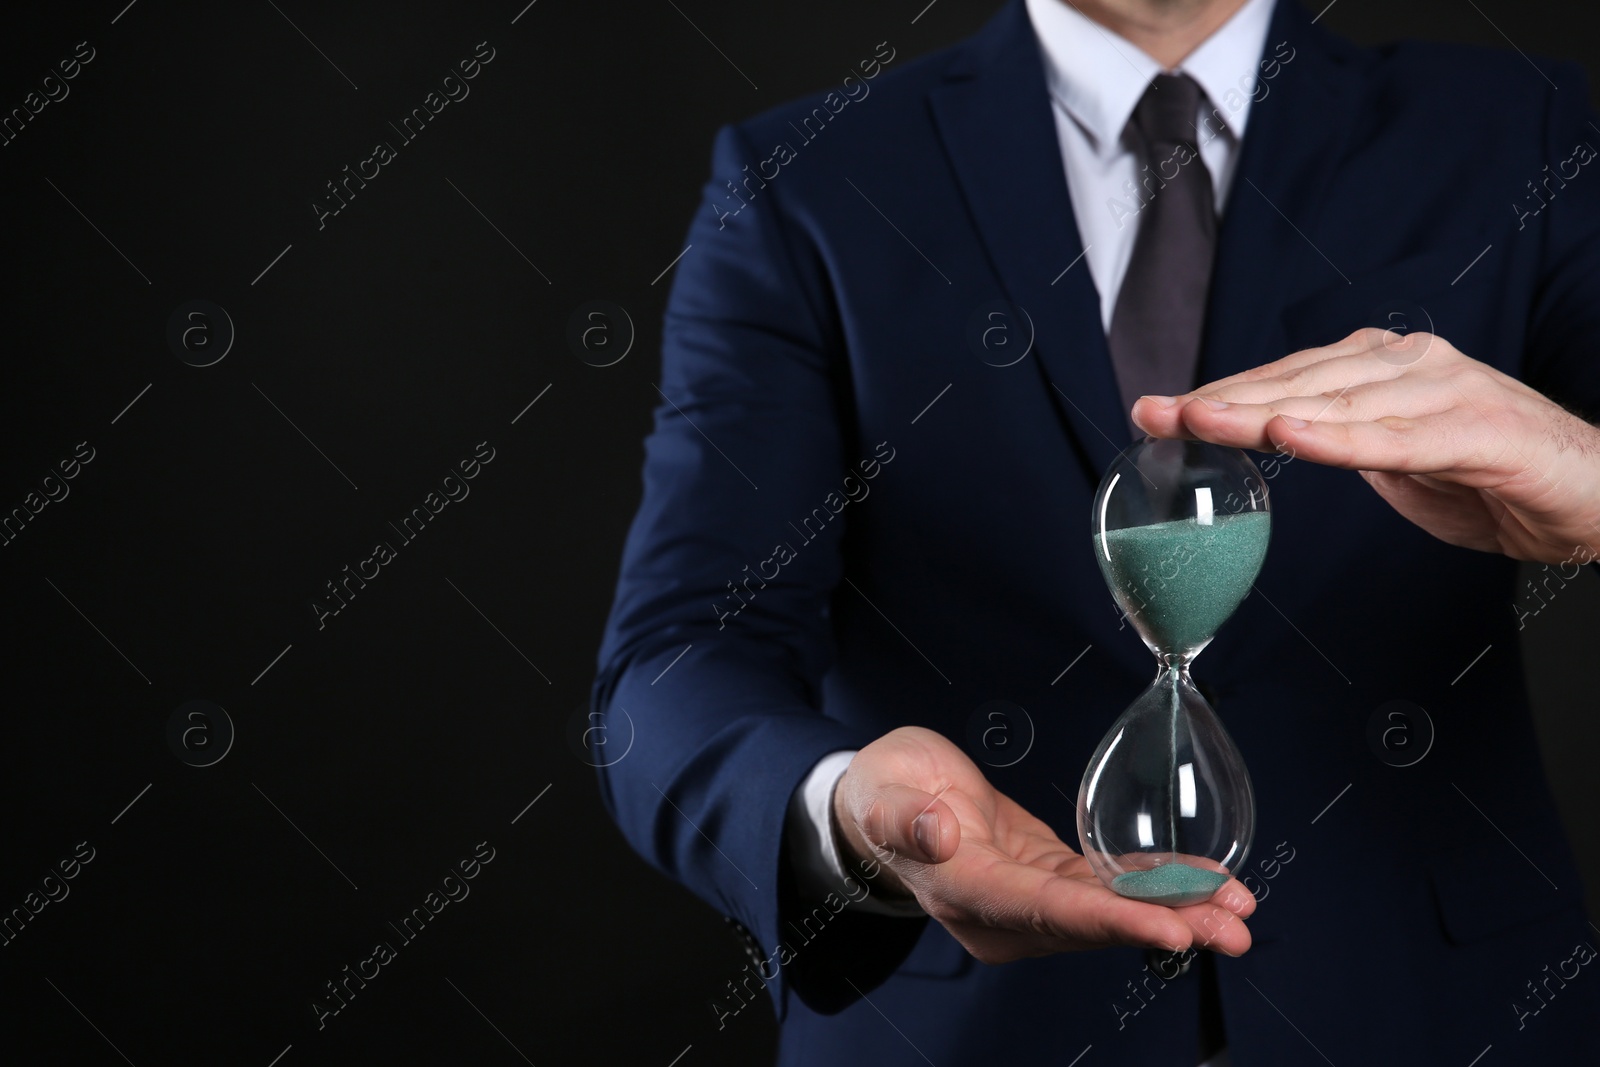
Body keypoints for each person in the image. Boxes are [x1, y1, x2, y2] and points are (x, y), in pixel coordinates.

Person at [591, 0, 1600, 1062]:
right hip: (973, 1028)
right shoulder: (807, 175)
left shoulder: (1511, 128)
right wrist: (848, 812)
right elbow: (677, 654)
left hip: (1437, 1007)